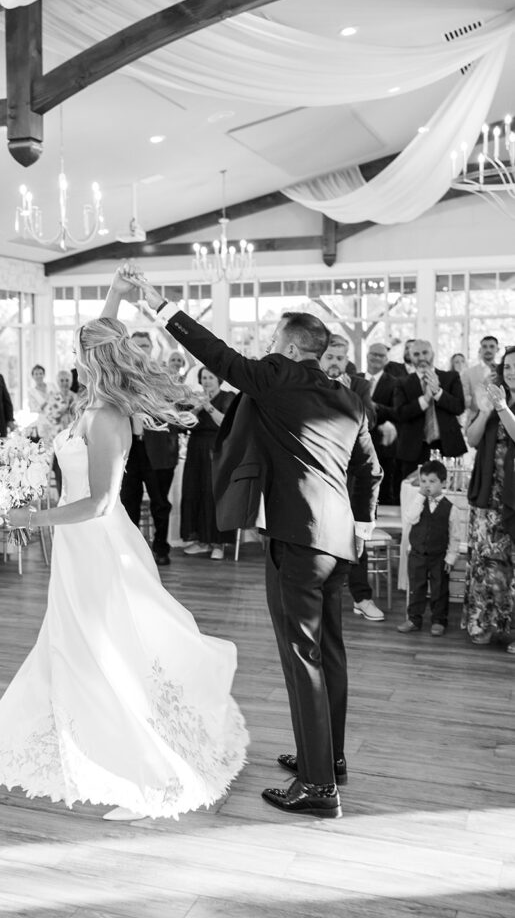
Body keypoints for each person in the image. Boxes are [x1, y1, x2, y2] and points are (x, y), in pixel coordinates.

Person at [0, 285, 248, 820]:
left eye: (79, 349)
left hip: (97, 544)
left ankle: (149, 773)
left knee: (109, 648)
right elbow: (102, 330)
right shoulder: (90, 401)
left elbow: (97, 503)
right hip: (74, 546)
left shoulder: (109, 416)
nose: (73, 355)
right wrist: (116, 291)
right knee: (75, 641)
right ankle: (86, 733)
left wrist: (30, 517)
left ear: (93, 359)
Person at [125, 265, 381, 819]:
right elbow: (370, 471)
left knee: (302, 660)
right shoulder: (350, 399)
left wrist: (160, 306)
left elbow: (219, 356)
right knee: (329, 655)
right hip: (337, 544)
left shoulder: (276, 375)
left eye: (272, 341)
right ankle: (328, 759)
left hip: (296, 539)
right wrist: (358, 527)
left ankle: (318, 790)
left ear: (290, 347)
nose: (265, 348)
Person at [320, 334, 384, 622]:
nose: (335, 363)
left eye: (340, 358)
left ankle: (362, 598)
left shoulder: (359, 385)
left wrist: (350, 398)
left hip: (352, 479)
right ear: (321, 356)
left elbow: (371, 421)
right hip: (319, 477)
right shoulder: (310, 385)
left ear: (347, 359)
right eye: (330, 357)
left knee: (356, 539)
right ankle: (317, 597)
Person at [462, 348, 515, 652]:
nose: (511, 372)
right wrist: (485, 411)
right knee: (486, 564)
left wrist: (504, 408)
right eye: (507, 366)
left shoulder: (503, 401)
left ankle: (512, 631)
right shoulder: (492, 396)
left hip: (513, 497)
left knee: (511, 568)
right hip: (487, 496)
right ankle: (482, 624)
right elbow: (472, 439)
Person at [120, 330, 179, 567]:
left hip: (159, 449)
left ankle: (161, 548)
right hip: (129, 448)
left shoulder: (162, 374)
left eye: (144, 345)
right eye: (136, 345)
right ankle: (133, 550)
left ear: (151, 348)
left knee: (160, 503)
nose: (140, 349)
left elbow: (176, 406)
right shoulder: (120, 376)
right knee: (128, 502)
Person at [397, 460, 461, 637]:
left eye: (432, 482)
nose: (427, 486)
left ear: (443, 483)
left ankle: (439, 620)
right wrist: (419, 496)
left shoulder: (451, 508)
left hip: (439, 556)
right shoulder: (418, 502)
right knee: (416, 588)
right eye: (424, 481)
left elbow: (455, 536)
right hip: (417, 554)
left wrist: (450, 557)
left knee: (439, 589)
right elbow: (410, 518)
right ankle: (414, 619)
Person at [181, 367, 236, 561]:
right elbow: (184, 423)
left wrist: (209, 406)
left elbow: (226, 423)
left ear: (218, 379)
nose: (206, 381)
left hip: (216, 449)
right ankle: (202, 540)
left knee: (213, 493)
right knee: (195, 491)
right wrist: (196, 407)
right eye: (203, 378)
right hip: (196, 449)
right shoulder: (196, 398)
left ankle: (218, 543)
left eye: (210, 377)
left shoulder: (228, 397)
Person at [394, 339, 467, 480]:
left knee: (449, 494)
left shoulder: (450, 377)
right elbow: (400, 414)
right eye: (416, 354)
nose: (421, 358)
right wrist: (425, 399)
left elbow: (459, 407)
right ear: (410, 357)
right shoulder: (402, 382)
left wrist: (438, 392)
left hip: (448, 447)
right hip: (413, 449)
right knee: (413, 495)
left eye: (425, 353)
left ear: (433, 354)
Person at [358, 343, 399, 505]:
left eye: (381, 355)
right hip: (358, 439)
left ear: (386, 360)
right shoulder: (356, 378)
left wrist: (374, 406)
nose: (376, 358)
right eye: (373, 354)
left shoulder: (395, 383)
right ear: (367, 355)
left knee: (382, 485)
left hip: (382, 440)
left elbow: (396, 411)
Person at [461, 336, 500, 416]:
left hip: (500, 421)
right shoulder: (467, 373)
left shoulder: (504, 371)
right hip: (475, 420)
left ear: (497, 349)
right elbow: (464, 403)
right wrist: (483, 387)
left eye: (492, 346)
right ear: (480, 350)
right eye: (484, 346)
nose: (488, 350)